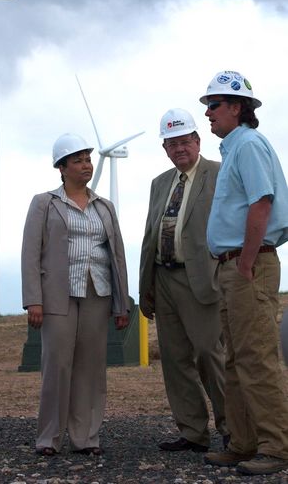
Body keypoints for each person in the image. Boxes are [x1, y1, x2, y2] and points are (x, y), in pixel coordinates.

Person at [200, 71, 288, 476]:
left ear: (237, 107)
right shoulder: (234, 148)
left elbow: (261, 203)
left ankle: (277, 446)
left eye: (213, 105)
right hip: (233, 266)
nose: (208, 114)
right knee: (236, 358)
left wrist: (248, 262)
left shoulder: (249, 145)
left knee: (256, 357)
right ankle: (243, 442)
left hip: (247, 264)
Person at [21, 133, 130, 456]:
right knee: (57, 365)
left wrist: (121, 303)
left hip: (98, 292)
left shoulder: (104, 207)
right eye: (78, 160)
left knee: (91, 367)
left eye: (88, 159)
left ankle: (86, 438)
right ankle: (48, 438)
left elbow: (117, 256)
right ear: (62, 167)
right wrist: (34, 299)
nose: (87, 166)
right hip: (57, 296)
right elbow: (31, 253)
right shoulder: (45, 203)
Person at [139, 108, 228, 453]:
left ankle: (231, 428)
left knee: (209, 354)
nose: (179, 149)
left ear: (197, 141)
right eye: (171, 144)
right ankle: (192, 431)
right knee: (175, 361)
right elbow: (150, 235)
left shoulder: (218, 174)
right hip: (163, 278)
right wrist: (145, 285)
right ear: (164, 148)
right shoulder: (159, 183)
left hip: (203, 279)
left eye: (184, 142)